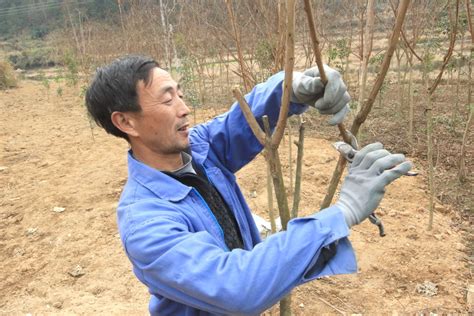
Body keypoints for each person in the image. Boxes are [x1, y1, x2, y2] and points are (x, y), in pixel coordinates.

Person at [85, 54, 412, 315]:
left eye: (181, 95)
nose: (185, 109)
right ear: (126, 122)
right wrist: (343, 213)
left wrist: (293, 86)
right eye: (168, 100)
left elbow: (241, 120)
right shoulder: (146, 223)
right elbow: (236, 287)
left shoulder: (198, 150)